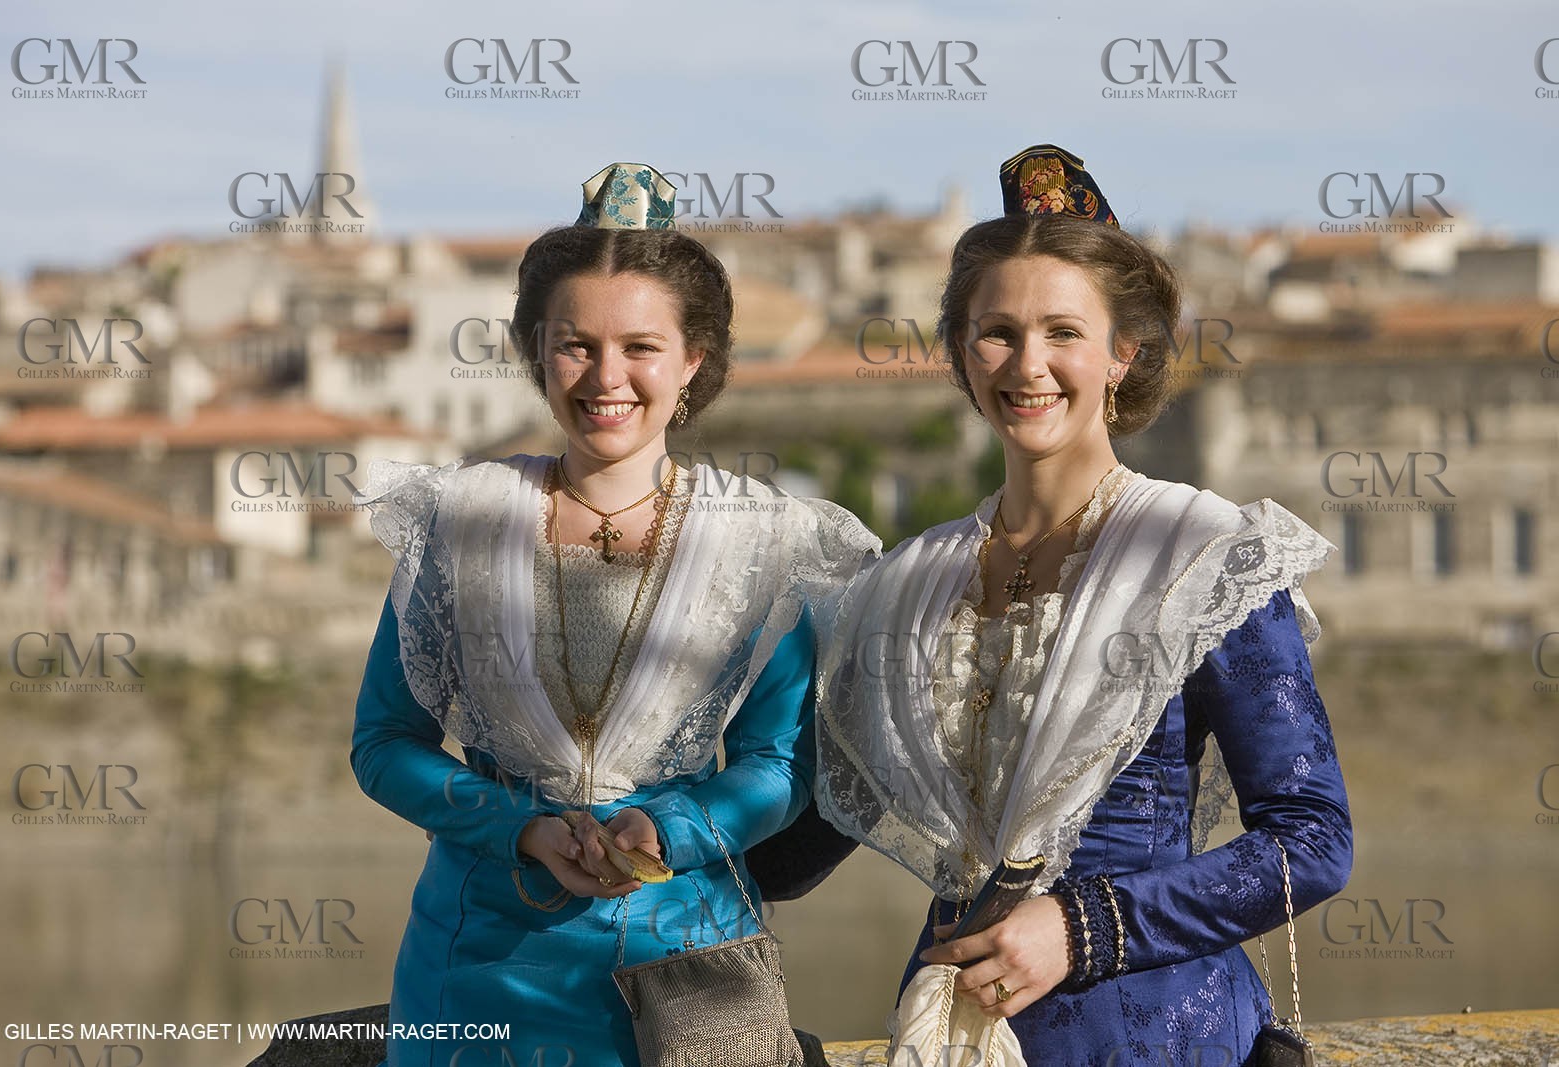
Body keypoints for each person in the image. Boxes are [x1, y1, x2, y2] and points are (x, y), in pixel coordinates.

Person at [806, 145, 1353, 1066]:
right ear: (959, 352)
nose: (1028, 364)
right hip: (948, 1031)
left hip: (1158, 1033)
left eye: (1063, 331)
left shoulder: (1201, 557)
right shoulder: (907, 582)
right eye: (997, 332)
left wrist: (1080, 926)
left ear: (1120, 354)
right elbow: (806, 821)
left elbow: (1311, 840)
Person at [350, 162, 878, 1067]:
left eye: (640, 346)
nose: (606, 377)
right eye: (574, 344)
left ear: (693, 361)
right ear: (536, 352)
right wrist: (519, 825)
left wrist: (669, 829)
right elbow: (384, 742)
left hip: (690, 968)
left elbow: (780, 762)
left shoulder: (762, 539)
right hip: (479, 966)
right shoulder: (463, 520)